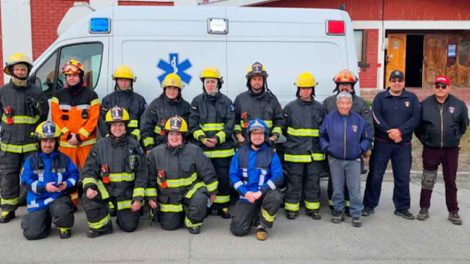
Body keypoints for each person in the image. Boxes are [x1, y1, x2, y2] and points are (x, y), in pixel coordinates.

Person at [81, 106, 148, 238]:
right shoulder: (100, 146)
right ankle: (102, 227)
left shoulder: (134, 145)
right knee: (88, 196)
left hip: (126, 194)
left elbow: (142, 174)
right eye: (114, 125)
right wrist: (89, 188)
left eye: (121, 124)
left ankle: (121, 213)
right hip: (106, 192)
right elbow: (89, 170)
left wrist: (138, 199)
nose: (118, 128)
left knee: (129, 227)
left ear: (126, 126)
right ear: (109, 127)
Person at [362, 70, 420, 220]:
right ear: (389, 82)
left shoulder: (412, 98)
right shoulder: (381, 97)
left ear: (403, 82)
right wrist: (389, 131)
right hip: (382, 144)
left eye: (399, 80)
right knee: (375, 175)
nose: (396, 83)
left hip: (403, 144)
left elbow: (415, 118)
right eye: (393, 80)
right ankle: (369, 205)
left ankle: (402, 207)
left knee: (402, 177)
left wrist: (400, 131)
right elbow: (376, 116)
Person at [147, 115, 218, 234]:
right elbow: (150, 178)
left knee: (200, 199)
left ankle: (192, 222)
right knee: (169, 226)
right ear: (166, 135)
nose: (174, 137)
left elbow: (208, 172)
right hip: (169, 196)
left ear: (183, 136)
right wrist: (151, 197)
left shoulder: (194, 151)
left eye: (178, 134)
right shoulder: (156, 153)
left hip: (190, 192)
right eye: (171, 134)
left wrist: (213, 192)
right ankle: (180, 214)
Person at [0, 53, 49, 223]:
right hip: (9, 144)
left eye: (23, 69)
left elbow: (43, 115)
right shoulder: (3, 92)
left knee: (34, 175)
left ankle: (35, 206)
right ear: (11, 71)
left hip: (30, 143)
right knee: (8, 175)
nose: (21, 71)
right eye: (18, 69)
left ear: (28, 71)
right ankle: (8, 208)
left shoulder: (36, 91)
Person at [415, 76, 468, 225]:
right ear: (433, 88)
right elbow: (418, 127)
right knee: (428, 179)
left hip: (451, 150)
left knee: (450, 180)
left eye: (443, 86)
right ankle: (424, 208)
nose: (440, 89)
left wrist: (455, 138)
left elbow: (464, 124)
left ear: (449, 88)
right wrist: (426, 139)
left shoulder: (458, 105)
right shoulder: (424, 105)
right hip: (431, 148)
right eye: (437, 86)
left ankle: (453, 211)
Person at [323, 69, 373, 215]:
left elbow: (368, 127)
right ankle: (336, 207)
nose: (345, 87)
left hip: (353, 153)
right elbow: (323, 128)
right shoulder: (328, 102)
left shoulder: (361, 104)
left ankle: (352, 208)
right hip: (335, 152)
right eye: (341, 84)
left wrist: (365, 148)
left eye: (348, 84)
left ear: (353, 86)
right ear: (337, 85)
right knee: (335, 181)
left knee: (353, 183)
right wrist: (328, 148)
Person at [189, 67, 235, 218]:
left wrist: (217, 139)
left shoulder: (227, 102)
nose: (210, 84)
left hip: (223, 150)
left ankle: (222, 206)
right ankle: (207, 205)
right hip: (203, 150)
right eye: (207, 82)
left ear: (218, 83)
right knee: (204, 179)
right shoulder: (196, 102)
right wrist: (202, 138)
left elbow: (230, 125)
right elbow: (193, 124)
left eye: (213, 82)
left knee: (222, 178)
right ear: (203, 84)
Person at [20, 121, 79, 239]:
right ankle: (40, 219)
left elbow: (74, 175)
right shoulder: (31, 161)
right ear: (39, 142)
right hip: (38, 199)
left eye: (51, 141)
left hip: (58, 197)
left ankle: (64, 227)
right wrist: (44, 186)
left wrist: (66, 184)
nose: (48, 144)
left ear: (56, 142)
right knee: (32, 234)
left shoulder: (64, 159)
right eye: (45, 141)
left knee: (63, 211)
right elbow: (25, 181)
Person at [229, 119, 283, 241]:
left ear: (265, 135)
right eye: (254, 133)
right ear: (249, 135)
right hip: (247, 196)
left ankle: (262, 225)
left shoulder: (271, 154)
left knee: (275, 197)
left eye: (260, 134)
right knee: (237, 230)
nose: (257, 137)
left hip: (264, 194)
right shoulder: (240, 153)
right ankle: (254, 215)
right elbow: (233, 176)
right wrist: (246, 193)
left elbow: (278, 176)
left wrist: (261, 191)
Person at [282, 72, 325, 220]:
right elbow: (283, 128)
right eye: (303, 88)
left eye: (308, 88)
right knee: (294, 181)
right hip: (295, 152)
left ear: (313, 89)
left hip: (314, 152)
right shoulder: (290, 108)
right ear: (298, 89)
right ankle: (291, 208)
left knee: (313, 181)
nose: (305, 91)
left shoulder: (320, 108)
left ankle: (312, 208)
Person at [51, 59, 100, 169]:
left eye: (74, 75)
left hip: (86, 145)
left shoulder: (91, 95)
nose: (71, 78)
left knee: (89, 174)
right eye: (68, 75)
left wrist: (79, 137)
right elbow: (56, 119)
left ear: (81, 76)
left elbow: (93, 119)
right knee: (66, 176)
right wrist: (68, 136)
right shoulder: (58, 96)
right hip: (66, 145)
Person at [233, 62, 284, 146]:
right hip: (245, 147)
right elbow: (234, 121)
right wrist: (239, 136)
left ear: (264, 81)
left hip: (267, 147)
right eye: (254, 79)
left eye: (260, 79)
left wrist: (274, 137)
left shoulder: (272, 99)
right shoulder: (240, 99)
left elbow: (280, 121)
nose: (257, 82)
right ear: (249, 81)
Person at [141, 73, 190, 154]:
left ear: (179, 90)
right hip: (159, 148)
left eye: (175, 89)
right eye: (169, 88)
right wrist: (149, 147)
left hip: (181, 150)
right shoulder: (155, 105)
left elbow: (189, 131)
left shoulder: (186, 107)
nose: (171, 91)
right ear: (164, 89)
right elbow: (146, 128)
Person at [98, 65, 147, 141]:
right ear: (116, 81)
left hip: (134, 141)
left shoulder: (139, 100)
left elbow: (145, 121)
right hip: (113, 141)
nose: (124, 83)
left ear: (131, 81)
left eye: (126, 80)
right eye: (121, 80)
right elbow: (101, 120)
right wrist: (108, 136)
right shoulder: (107, 99)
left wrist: (134, 136)